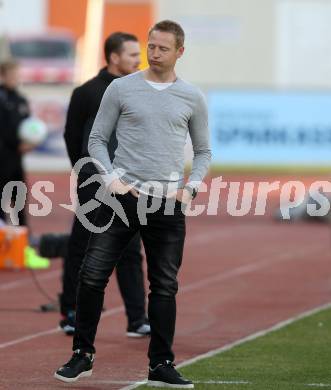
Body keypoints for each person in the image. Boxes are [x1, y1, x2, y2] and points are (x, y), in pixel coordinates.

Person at [54, 20, 211, 388]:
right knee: (92, 274)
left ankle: (161, 364)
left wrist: (191, 189)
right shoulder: (122, 88)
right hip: (121, 199)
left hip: (167, 204)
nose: (154, 53)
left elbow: (203, 151)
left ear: (179, 52)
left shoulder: (192, 97)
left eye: (162, 48)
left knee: (165, 285)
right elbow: (95, 139)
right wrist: (112, 179)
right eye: (150, 46)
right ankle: (82, 355)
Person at [59, 32, 150, 338]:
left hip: (129, 180)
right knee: (82, 245)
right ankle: (71, 312)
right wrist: (85, 170)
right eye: (132, 55)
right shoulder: (86, 92)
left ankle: (137, 318)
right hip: (94, 180)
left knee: (129, 249)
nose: (138, 61)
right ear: (113, 57)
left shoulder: (139, 91)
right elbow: (72, 135)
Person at [0, 61, 31, 226]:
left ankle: (22, 244)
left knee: (19, 200)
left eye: (16, 75)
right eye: (11, 75)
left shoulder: (21, 100)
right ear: (2, 76)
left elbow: (29, 126)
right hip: (2, 157)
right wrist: (17, 143)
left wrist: (30, 142)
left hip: (16, 160)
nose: (15, 78)